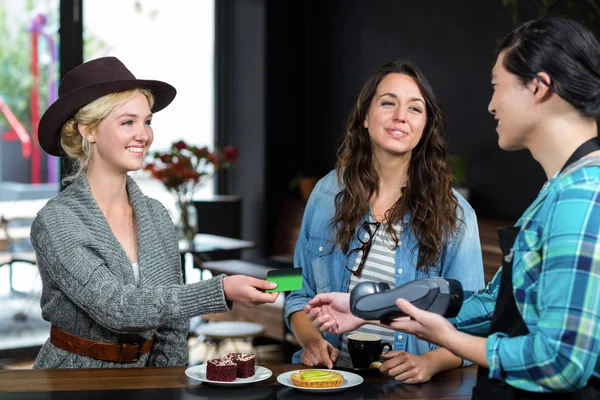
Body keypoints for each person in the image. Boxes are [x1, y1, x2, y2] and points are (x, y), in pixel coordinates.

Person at [306, 16, 600, 398]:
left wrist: (449, 342)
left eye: (497, 87)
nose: (491, 105)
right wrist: (371, 308)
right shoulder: (557, 192)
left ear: (539, 89)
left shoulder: (582, 196)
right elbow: (495, 304)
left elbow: (562, 363)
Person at [31, 57, 279, 369]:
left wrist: (167, 384)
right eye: (127, 122)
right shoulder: (57, 221)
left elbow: (173, 326)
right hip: (71, 381)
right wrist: (220, 289)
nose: (144, 135)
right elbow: (117, 308)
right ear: (88, 130)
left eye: (147, 122)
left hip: (145, 380)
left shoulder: (156, 215)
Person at [284, 59, 485, 383]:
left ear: (425, 126)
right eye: (388, 102)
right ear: (364, 117)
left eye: (415, 108)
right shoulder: (324, 194)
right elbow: (295, 289)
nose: (400, 116)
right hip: (331, 381)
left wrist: (430, 362)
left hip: (411, 389)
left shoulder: (456, 216)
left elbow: (474, 321)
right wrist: (312, 342)